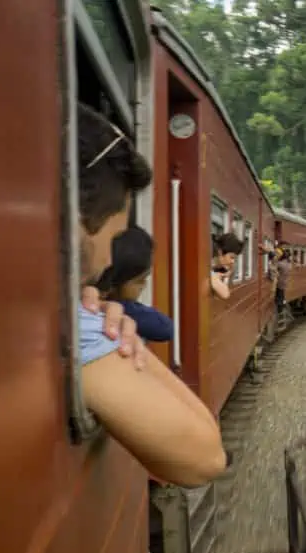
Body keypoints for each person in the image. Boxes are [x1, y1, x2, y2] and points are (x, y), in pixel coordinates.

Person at [76, 103, 226, 487]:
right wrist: (108, 327)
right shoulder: (78, 325)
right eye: (110, 239)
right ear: (72, 225)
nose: (107, 261)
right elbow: (205, 459)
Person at [98, 226, 173, 342]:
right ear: (112, 284)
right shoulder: (125, 310)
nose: (144, 285)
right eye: (140, 280)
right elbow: (165, 328)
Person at [210, 233, 245, 300]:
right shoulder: (206, 268)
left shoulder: (219, 266)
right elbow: (225, 294)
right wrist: (218, 276)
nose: (233, 261)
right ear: (220, 252)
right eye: (232, 257)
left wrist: (229, 272)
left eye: (235, 259)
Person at [274, 248, 291, 313]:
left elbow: (274, 267)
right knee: (281, 295)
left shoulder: (280, 264)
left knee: (279, 297)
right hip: (285, 283)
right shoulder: (288, 264)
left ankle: (280, 309)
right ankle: (282, 306)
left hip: (279, 283)